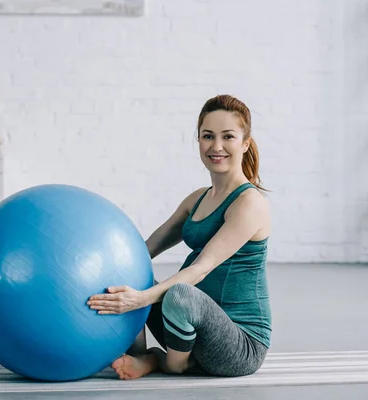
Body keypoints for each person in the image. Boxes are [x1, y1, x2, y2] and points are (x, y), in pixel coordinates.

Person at [87, 94, 272, 380]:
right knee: (135, 276)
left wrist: (140, 301)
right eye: (208, 136)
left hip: (239, 345)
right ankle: (138, 356)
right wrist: (99, 266)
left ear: (245, 143)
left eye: (228, 137)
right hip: (187, 330)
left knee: (180, 293)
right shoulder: (197, 199)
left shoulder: (249, 203)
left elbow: (201, 268)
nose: (217, 146)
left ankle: (167, 363)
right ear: (198, 140)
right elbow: (143, 250)